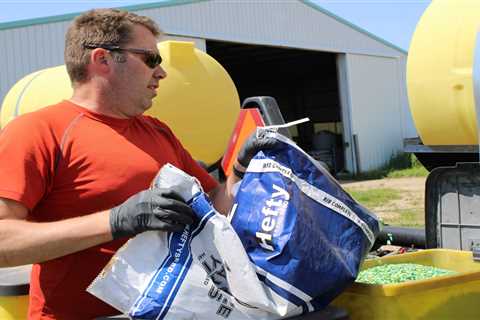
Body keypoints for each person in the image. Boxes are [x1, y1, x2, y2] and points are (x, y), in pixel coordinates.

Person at [0, 8, 275, 320]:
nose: (161, 72)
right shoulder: (38, 131)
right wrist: (116, 221)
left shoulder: (157, 130)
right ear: (102, 60)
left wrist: (241, 169)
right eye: (151, 59)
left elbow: (216, 205)